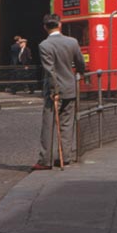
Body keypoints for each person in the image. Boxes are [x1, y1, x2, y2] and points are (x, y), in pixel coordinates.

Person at [33, 14, 86, 171]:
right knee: (67, 124)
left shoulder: (44, 45)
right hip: (70, 87)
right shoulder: (72, 42)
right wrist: (79, 73)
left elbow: (50, 71)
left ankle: (45, 160)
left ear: (45, 27)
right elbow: (80, 63)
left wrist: (54, 90)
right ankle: (65, 157)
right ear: (60, 25)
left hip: (53, 91)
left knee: (48, 126)